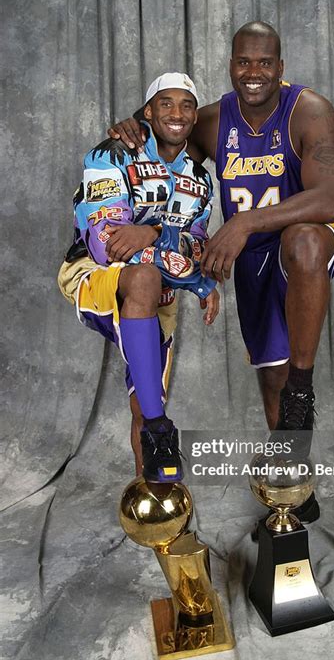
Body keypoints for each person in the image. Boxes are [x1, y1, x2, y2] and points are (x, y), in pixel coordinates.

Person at [108, 22, 334, 521]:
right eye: (244, 62)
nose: (254, 72)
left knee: (302, 243)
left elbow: (328, 199)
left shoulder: (309, 110)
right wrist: (129, 125)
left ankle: (304, 391)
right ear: (231, 65)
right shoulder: (213, 120)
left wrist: (244, 221)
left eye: (265, 63)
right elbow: (160, 128)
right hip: (253, 251)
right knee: (270, 376)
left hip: (307, 238)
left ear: (280, 69)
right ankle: (291, 480)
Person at [59, 72, 219, 483]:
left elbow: (199, 248)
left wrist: (153, 233)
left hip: (158, 292)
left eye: (186, 105)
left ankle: (156, 495)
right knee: (145, 277)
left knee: (145, 397)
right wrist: (194, 278)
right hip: (90, 274)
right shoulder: (112, 154)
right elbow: (106, 244)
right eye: (166, 104)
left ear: (195, 117)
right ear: (148, 111)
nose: (177, 113)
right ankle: (161, 430)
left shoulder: (200, 182)